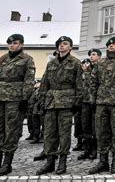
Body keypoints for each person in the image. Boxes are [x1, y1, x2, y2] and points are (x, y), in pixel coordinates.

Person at [0, 34, 35, 177]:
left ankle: (7, 164)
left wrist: (25, 99)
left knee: (11, 130)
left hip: (15, 100)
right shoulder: (2, 59)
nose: (12, 45)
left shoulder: (27, 60)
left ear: (22, 44)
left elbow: (29, 80)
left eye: (15, 43)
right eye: (10, 43)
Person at [36, 36, 82, 175]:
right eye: (59, 44)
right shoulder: (51, 63)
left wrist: (77, 103)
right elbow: (44, 83)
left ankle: (62, 162)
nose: (61, 46)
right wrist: (41, 101)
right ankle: (50, 162)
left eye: (65, 43)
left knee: (64, 134)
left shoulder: (75, 63)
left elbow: (80, 85)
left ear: (70, 47)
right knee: (49, 133)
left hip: (67, 103)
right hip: (51, 102)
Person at [88, 37, 115, 174]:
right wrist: (92, 100)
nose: (111, 46)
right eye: (109, 44)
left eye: (114, 44)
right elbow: (93, 82)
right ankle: (103, 161)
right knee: (101, 132)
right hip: (101, 102)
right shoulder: (100, 63)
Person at [77, 58, 98, 160]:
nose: (85, 64)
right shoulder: (81, 73)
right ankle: (87, 148)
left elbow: (91, 84)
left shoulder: (94, 71)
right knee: (85, 126)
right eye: (84, 62)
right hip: (84, 102)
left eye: (87, 62)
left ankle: (94, 149)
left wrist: (87, 72)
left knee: (94, 127)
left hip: (93, 102)